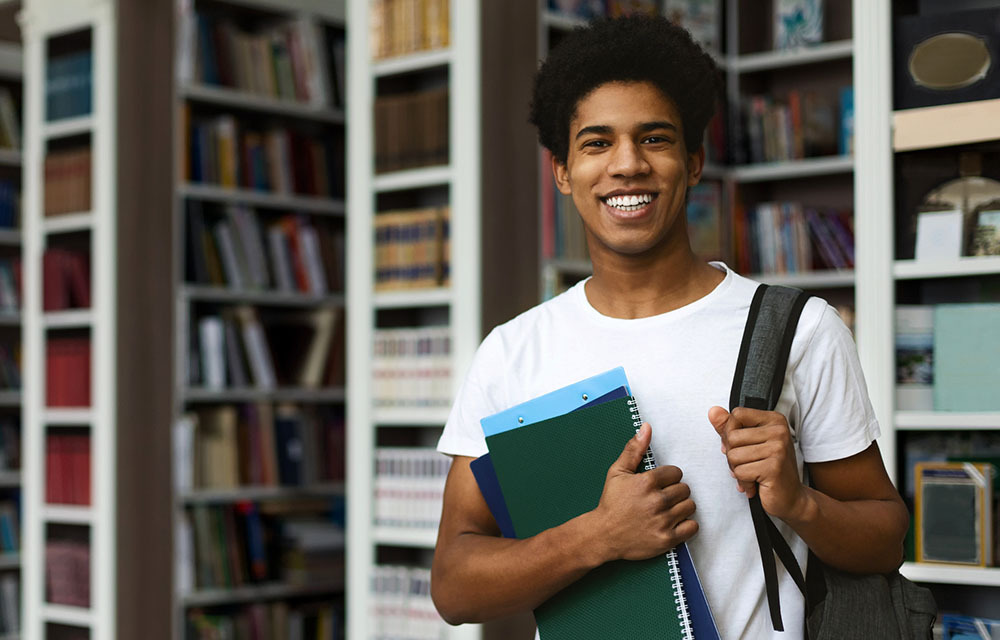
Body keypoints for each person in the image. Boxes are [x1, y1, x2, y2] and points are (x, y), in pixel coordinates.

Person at [430, 14, 909, 639]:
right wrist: (596, 537)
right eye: (597, 143)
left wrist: (799, 502)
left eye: (654, 139)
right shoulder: (514, 351)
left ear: (694, 161)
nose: (627, 165)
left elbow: (886, 540)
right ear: (563, 172)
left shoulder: (798, 330)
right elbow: (454, 585)